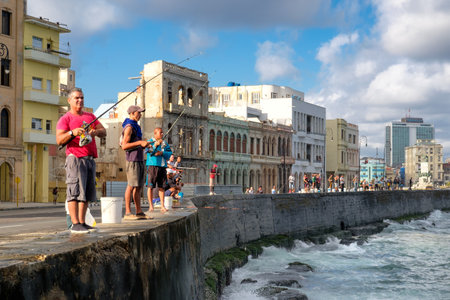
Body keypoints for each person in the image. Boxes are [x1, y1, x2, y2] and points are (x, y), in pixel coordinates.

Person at [56, 88, 106, 234]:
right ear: (69, 100)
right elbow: (59, 140)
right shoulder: (65, 118)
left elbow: (104, 132)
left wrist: (94, 131)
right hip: (75, 158)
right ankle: (75, 223)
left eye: (82, 98)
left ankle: (82, 222)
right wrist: (72, 132)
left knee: (86, 193)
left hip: (90, 159)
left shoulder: (91, 116)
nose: (80, 100)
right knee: (74, 191)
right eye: (77, 98)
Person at [121, 105, 150, 220]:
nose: (140, 115)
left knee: (138, 187)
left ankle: (139, 211)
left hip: (139, 158)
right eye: (138, 113)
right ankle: (128, 212)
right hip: (132, 160)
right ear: (132, 113)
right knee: (131, 185)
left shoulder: (136, 126)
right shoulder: (129, 127)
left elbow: (137, 143)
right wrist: (140, 143)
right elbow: (124, 146)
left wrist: (144, 144)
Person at [146, 127, 172, 213]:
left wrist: (162, 153)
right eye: (160, 133)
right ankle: (151, 206)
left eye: (162, 133)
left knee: (162, 187)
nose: (162, 134)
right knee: (150, 187)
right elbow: (148, 152)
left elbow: (169, 154)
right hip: (152, 166)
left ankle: (162, 206)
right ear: (155, 133)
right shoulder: (150, 141)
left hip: (162, 166)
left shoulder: (164, 143)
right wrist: (155, 145)